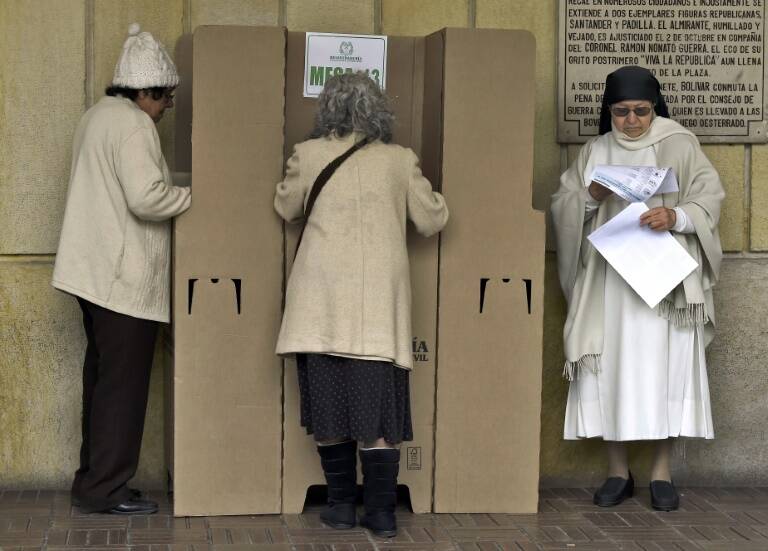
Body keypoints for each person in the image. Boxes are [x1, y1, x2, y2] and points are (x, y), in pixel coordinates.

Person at [274, 73, 448, 537]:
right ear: (378, 112)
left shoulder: (307, 154)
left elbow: (287, 207)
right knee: (379, 415)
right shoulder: (399, 160)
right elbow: (431, 219)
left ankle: (340, 507)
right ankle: (382, 514)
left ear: (327, 110)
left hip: (321, 303)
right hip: (377, 309)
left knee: (329, 409)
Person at [551, 66, 724, 511]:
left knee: (667, 369)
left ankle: (661, 474)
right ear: (608, 111)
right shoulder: (595, 149)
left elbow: (709, 196)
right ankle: (616, 471)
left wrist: (677, 216)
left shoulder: (678, 143)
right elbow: (562, 204)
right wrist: (589, 195)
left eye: (641, 111)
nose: (631, 121)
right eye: (621, 112)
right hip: (610, 281)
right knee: (609, 370)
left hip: (663, 284)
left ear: (655, 108)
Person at [52, 23, 191, 515]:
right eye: (166, 97)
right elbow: (146, 197)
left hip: (91, 275)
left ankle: (93, 481)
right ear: (146, 89)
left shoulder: (97, 116)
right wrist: (192, 197)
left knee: (102, 382)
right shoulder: (134, 125)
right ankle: (106, 489)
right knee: (123, 390)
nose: (167, 106)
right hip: (120, 279)